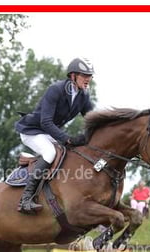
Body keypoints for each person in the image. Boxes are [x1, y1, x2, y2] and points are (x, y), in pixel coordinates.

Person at [14, 57, 95, 214]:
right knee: (50, 152)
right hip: (32, 130)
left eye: (90, 76)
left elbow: (92, 119)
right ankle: (25, 199)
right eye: (85, 75)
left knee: (70, 154)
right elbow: (45, 122)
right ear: (73, 76)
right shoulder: (56, 90)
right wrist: (67, 139)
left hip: (48, 134)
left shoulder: (83, 95)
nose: (88, 79)